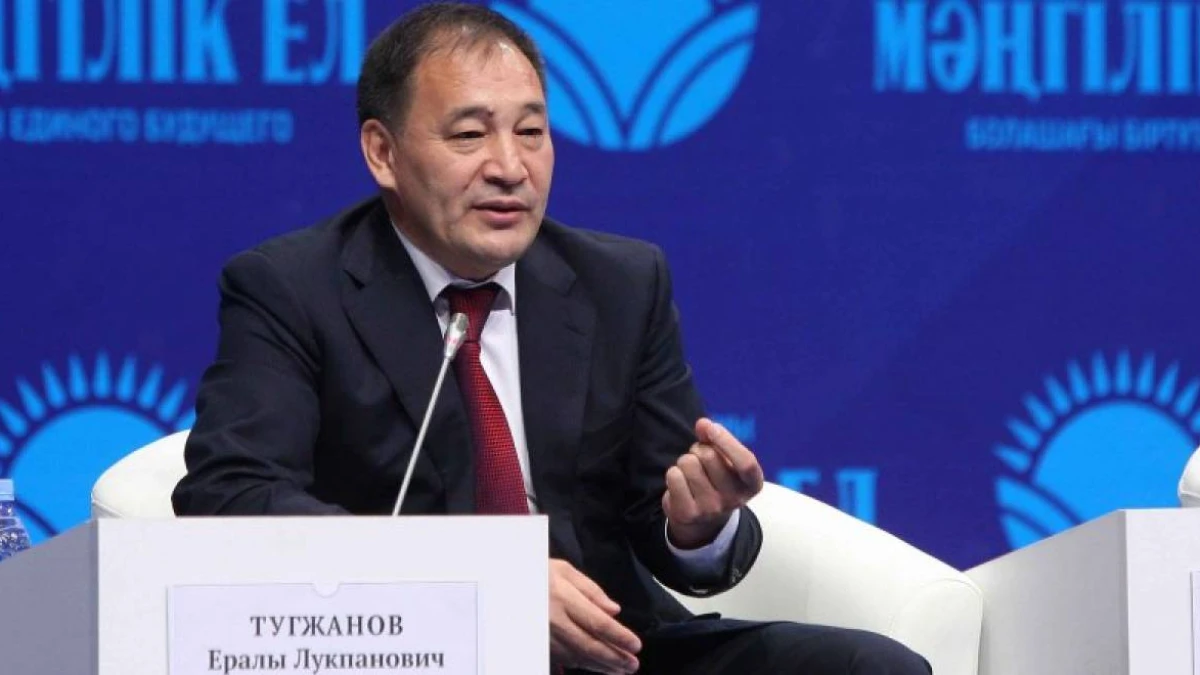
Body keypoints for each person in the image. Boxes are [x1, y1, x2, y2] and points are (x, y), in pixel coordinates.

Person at [172, 4, 930, 674]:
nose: (510, 167)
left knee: (870, 666)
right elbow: (230, 496)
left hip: (612, 651)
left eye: (531, 132)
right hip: (412, 649)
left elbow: (661, 520)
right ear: (383, 153)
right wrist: (484, 582)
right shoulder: (293, 289)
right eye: (470, 134)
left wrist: (695, 524)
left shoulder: (619, 282)